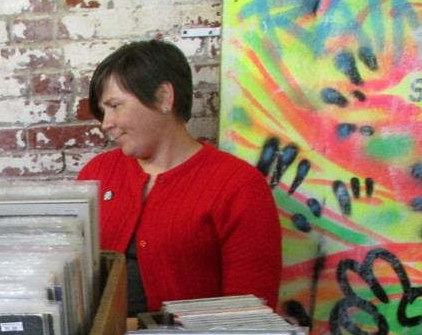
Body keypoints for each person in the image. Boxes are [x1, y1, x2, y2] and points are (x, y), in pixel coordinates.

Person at [77, 39, 282, 317]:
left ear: (163, 97)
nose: (106, 123)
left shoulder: (238, 185)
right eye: (103, 111)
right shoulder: (97, 174)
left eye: (115, 106)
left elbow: (249, 309)